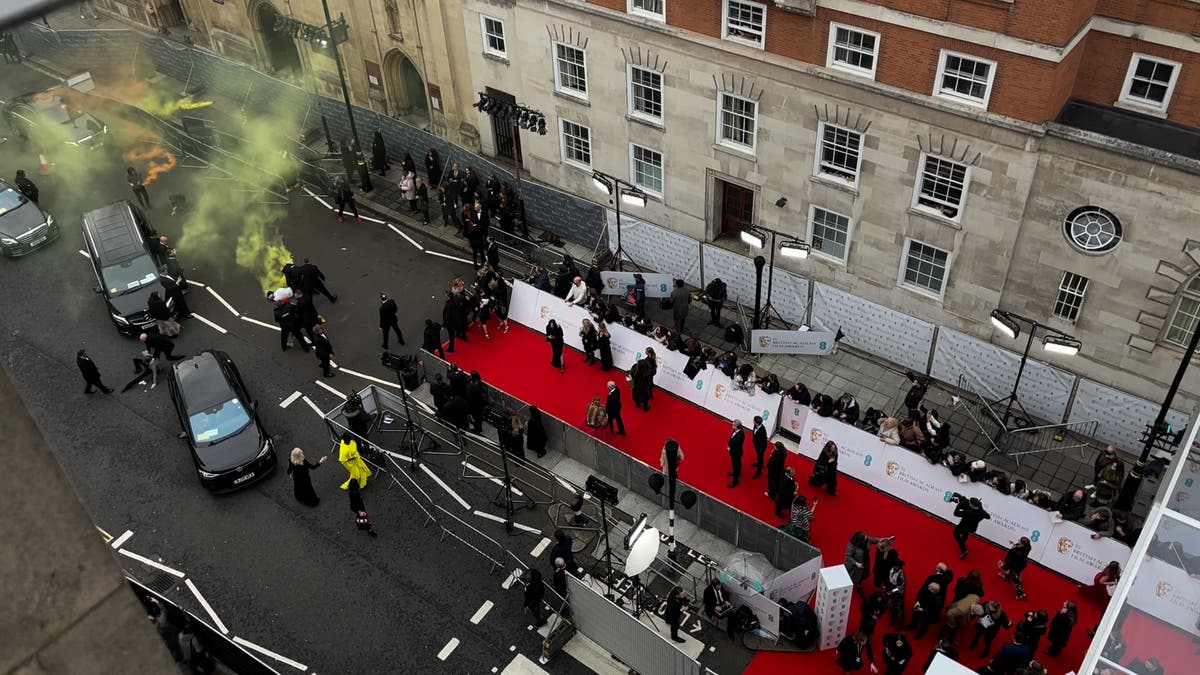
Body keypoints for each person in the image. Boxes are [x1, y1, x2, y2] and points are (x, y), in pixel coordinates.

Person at [845, 531, 893, 599]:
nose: (867, 537)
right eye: (865, 537)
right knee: (853, 575)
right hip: (855, 563)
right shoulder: (852, 545)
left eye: (866, 536)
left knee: (864, 573)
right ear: (859, 540)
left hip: (865, 560)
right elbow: (848, 556)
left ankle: (859, 584)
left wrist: (886, 539)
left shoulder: (867, 539)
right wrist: (856, 563)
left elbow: (875, 540)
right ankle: (851, 585)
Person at [885, 559, 907, 627]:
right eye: (894, 567)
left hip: (897, 592)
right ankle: (892, 613)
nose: (894, 568)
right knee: (890, 604)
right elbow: (889, 578)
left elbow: (901, 587)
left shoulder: (901, 575)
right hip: (890, 587)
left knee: (898, 607)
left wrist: (892, 591)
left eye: (896, 568)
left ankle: (898, 620)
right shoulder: (891, 569)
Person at [727, 419, 745, 488]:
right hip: (733, 451)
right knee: (736, 464)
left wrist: (730, 449)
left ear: (737, 427)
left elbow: (737, 446)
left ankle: (735, 481)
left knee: (736, 464)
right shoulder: (735, 431)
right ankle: (736, 472)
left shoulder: (740, 436)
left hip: (736, 453)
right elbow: (731, 438)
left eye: (733, 425)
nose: (732, 426)